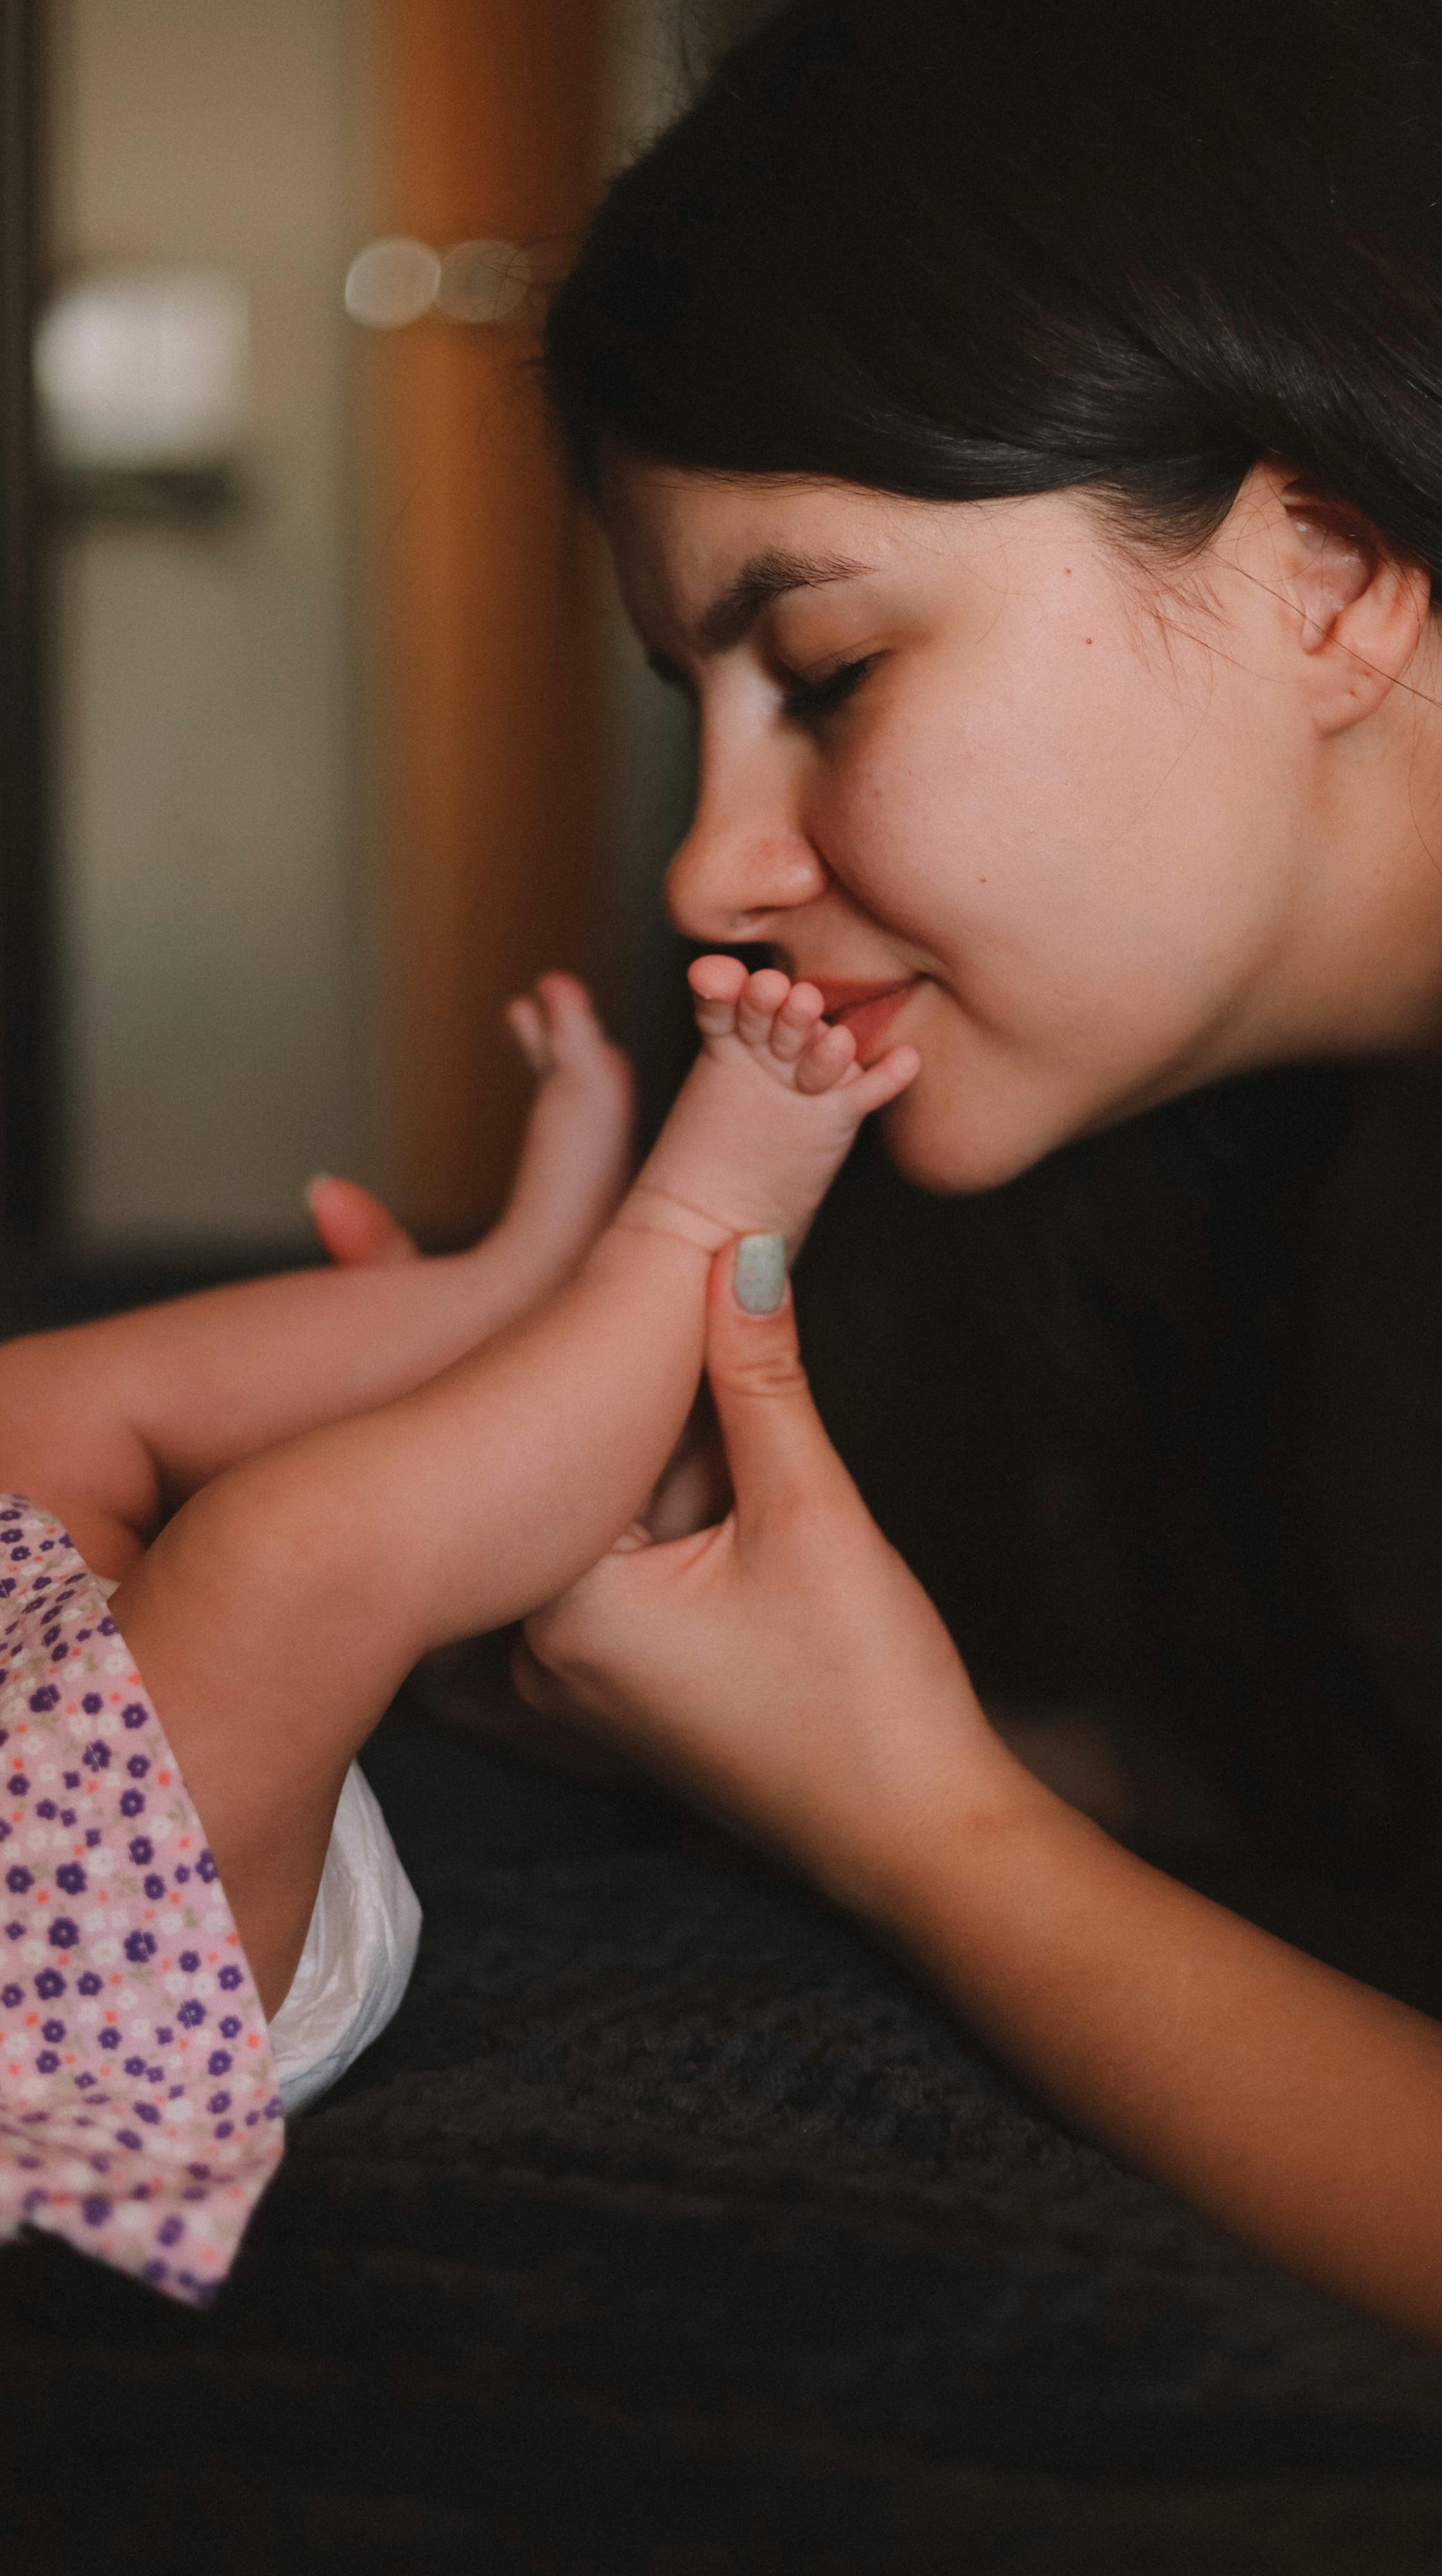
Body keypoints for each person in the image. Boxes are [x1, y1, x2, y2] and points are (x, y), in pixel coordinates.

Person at [443, 0, 1442, 2385]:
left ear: (1326, 565)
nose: (710, 865)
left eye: (825, 668)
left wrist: (915, 1813)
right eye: (696, 708)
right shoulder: (1420, 1157)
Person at [0, 965, 915, 2296]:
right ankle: (687, 1232)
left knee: (40, 1405)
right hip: (75, 1965)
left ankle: (514, 1289)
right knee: (280, 1554)